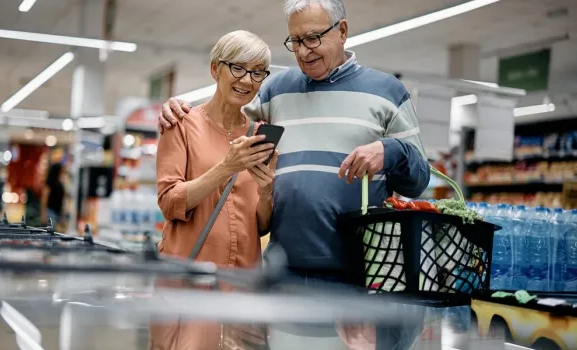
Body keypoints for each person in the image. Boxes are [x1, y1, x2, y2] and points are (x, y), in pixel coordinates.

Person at [158, 0, 430, 348]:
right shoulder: (275, 91)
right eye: (295, 41)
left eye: (313, 38)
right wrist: (177, 108)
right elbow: (223, 116)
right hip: (281, 274)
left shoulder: (388, 92)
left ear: (342, 31)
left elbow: (420, 179)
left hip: (357, 279)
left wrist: (391, 151)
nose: (303, 51)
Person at [151, 30, 276, 350]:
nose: (247, 80)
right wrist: (227, 167)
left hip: (243, 286)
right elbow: (169, 202)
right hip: (189, 283)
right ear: (214, 69)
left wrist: (266, 192)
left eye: (257, 72)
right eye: (238, 68)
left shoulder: (261, 136)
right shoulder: (180, 124)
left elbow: (259, 225)